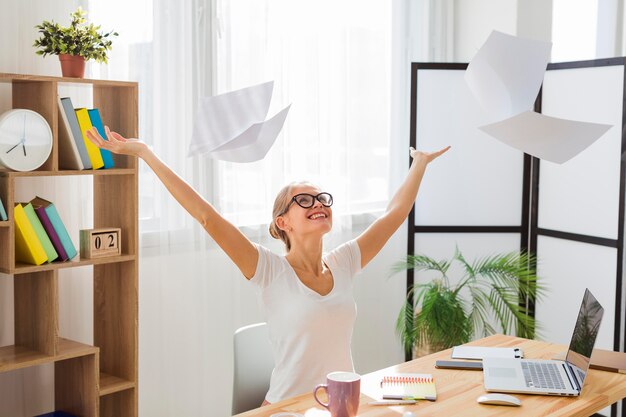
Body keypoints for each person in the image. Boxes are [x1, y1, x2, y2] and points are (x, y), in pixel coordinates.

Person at [86, 126, 450, 405]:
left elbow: (395, 213)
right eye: (303, 200)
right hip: (287, 408)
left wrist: (419, 164)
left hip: (339, 406)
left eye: (321, 197)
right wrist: (146, 154)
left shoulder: (345, 261)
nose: (318, 203)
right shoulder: (268, 270)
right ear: (282, 223)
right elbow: (206, 217)